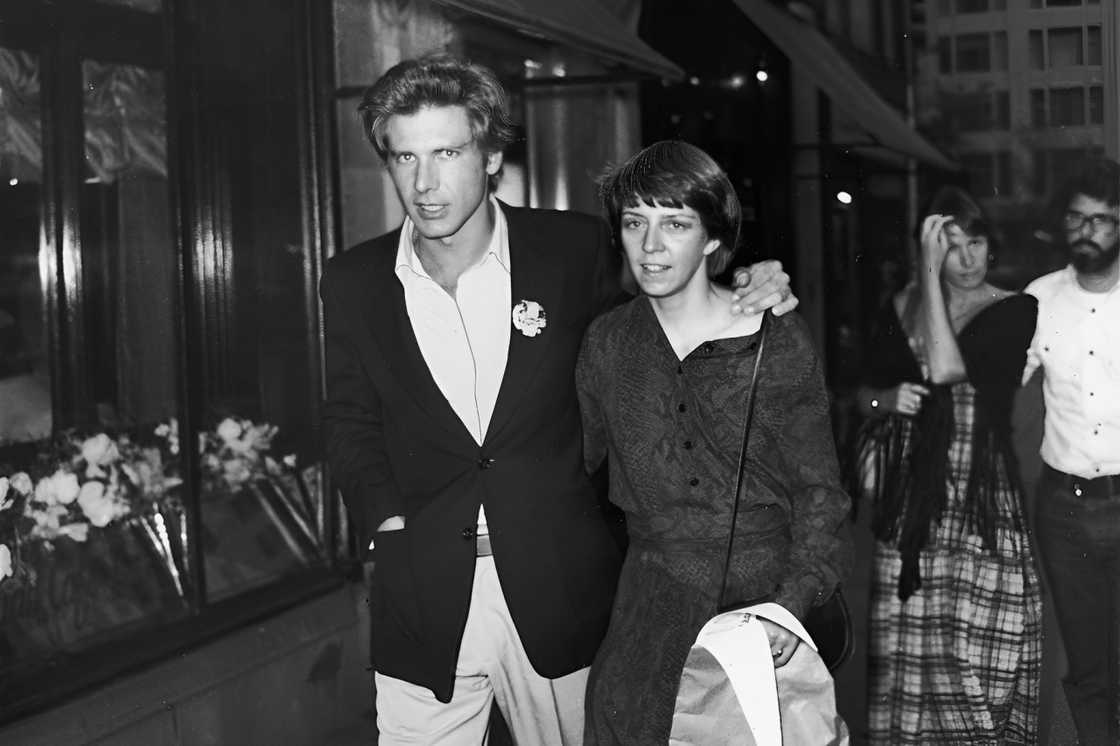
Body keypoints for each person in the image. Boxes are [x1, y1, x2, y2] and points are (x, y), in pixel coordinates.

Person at [319, 55, 797, 744]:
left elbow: (676, 319)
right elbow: (349, 417)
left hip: (560, 588)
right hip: (422, 594)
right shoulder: (354, 279)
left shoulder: (572, 251)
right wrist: (385, 524)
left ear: (489, 156)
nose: (424, 184)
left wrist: (751, 287)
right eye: (404, 158)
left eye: (447, 153)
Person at [574, 140, 851, 744]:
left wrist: (789, 605)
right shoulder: (606, 344)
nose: (650, 246)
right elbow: (577, 465)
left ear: (713, 239)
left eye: (675, 224)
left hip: (758, 610)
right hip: (648, 609)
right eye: (634, 223)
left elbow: (820, 491)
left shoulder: (774, 337)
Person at [855, 186, 1042, 743]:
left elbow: (946, 370)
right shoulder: (899, 306)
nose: (966, 259)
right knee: (913, 656)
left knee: (984, 654)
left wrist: (928, 279)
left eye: (976, 243)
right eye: (951, 247)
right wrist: (881, 401)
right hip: (913, 502)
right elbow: (860, 391)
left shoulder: (1014, 308)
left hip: (981, 500)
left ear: (992, 246)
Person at [1021, 157, 1120, 746]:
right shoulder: (1039, 298)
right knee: (1086, 664)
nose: (1089, 232)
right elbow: (999, 376)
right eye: (1078, 219)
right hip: (1065, 508)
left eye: (1104, 221)